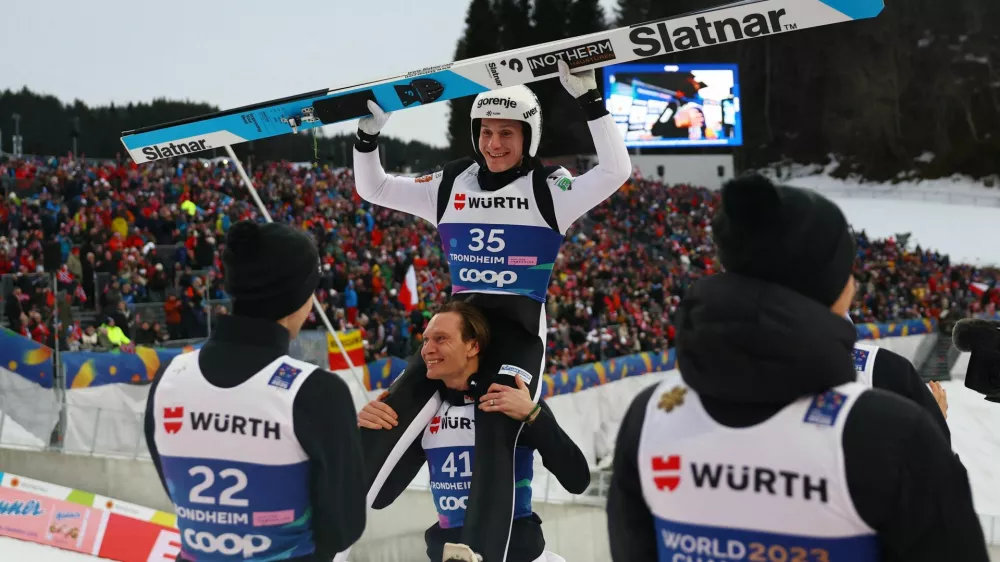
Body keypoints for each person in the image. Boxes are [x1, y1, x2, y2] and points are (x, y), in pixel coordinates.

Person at [606, 174, 989, 562]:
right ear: (830, 288)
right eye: (847, 272)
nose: (855, 285)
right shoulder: (891, 430)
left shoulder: (651, 415)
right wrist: (932, 438)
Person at [350, 59, 631, 561]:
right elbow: (374, 188)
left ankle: (479, 552)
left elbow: (616, 171)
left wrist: (591, 103)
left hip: (517, 336)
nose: (495, 144)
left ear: (530, 137)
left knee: (498, 422)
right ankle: (339, 500)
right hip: (458, 334)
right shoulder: (450, 182)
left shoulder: (552, 189)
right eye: (485, 132)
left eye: (507, 133)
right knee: (390, 407)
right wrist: (367, 139)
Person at [143, 220, 367, 562]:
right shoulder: (317, 391)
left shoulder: (170, 376)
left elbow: (179, 494)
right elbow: (342, 529)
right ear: (300, 296)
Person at [357, 301, 588, 562]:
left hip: (518, 554)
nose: (427, 350)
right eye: (426, 340)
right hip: (451, 555)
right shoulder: (425, 411)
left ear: (473, 346)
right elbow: (380, 495)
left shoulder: (509, 399)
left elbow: (578, 479)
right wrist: (366, 429)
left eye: (441, 339)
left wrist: (533, 415)